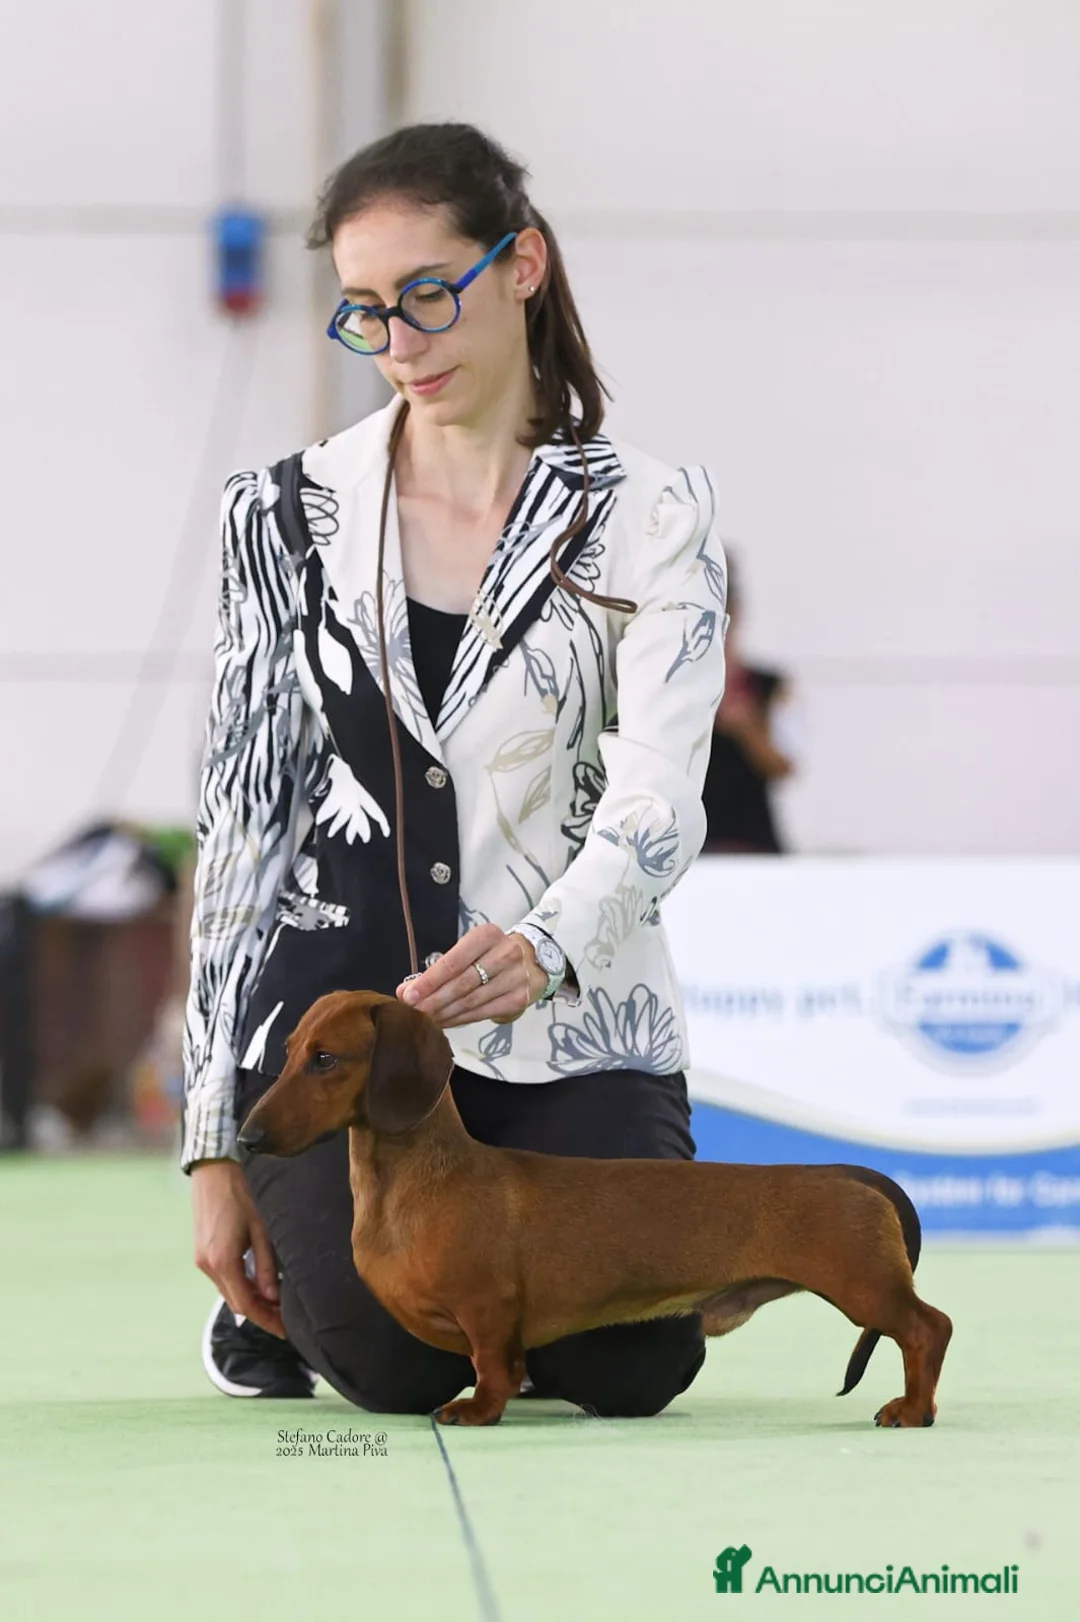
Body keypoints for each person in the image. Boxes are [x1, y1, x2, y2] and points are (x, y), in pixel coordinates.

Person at [184, 122, 728, 1417]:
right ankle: (295, 1273)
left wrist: (549, 941)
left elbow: (662, 795)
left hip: (570, 1013)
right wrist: (216, 1146)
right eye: (364, 313)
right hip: (336, 1045)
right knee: (394, 1365)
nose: (402, 342)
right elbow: (243, 834)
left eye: (429, 294)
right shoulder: (277, 516)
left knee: (634, 1366)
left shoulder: (654, 516)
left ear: (521, 264)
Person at [700, 554, 796, 854]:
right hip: (690, 847)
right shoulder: (665, 689)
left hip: (752, 844)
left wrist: (747, 728)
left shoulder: (769, 685)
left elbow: (785, 764)